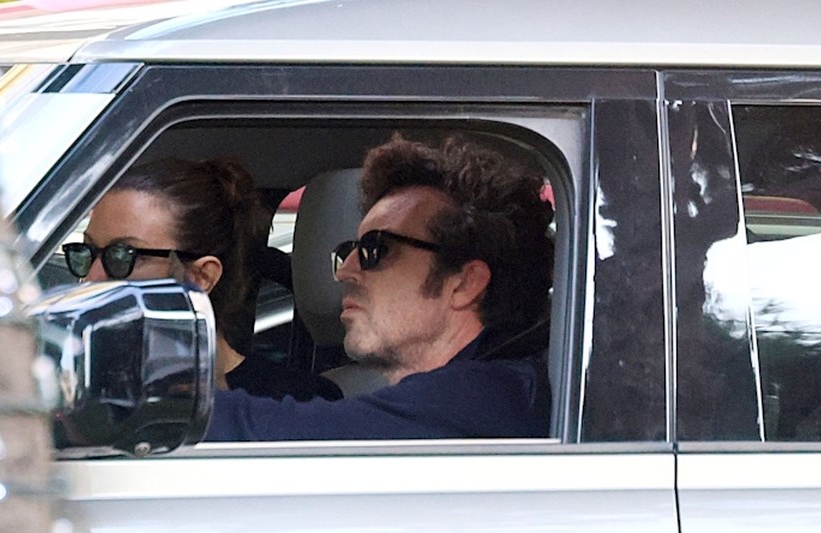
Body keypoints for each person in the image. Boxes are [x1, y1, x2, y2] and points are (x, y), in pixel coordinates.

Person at [206, 135, 554, 441]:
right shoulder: (486, 393)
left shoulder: (482, 398)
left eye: (376, 249)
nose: (344, 271)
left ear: (464, 283)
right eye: (349, 250)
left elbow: (272, 436)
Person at [66, 157, 343, 402]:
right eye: (86, 252)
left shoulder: (296, 405)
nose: (92, 278)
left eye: (122, 255)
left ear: (200, 277)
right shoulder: (75, 389)